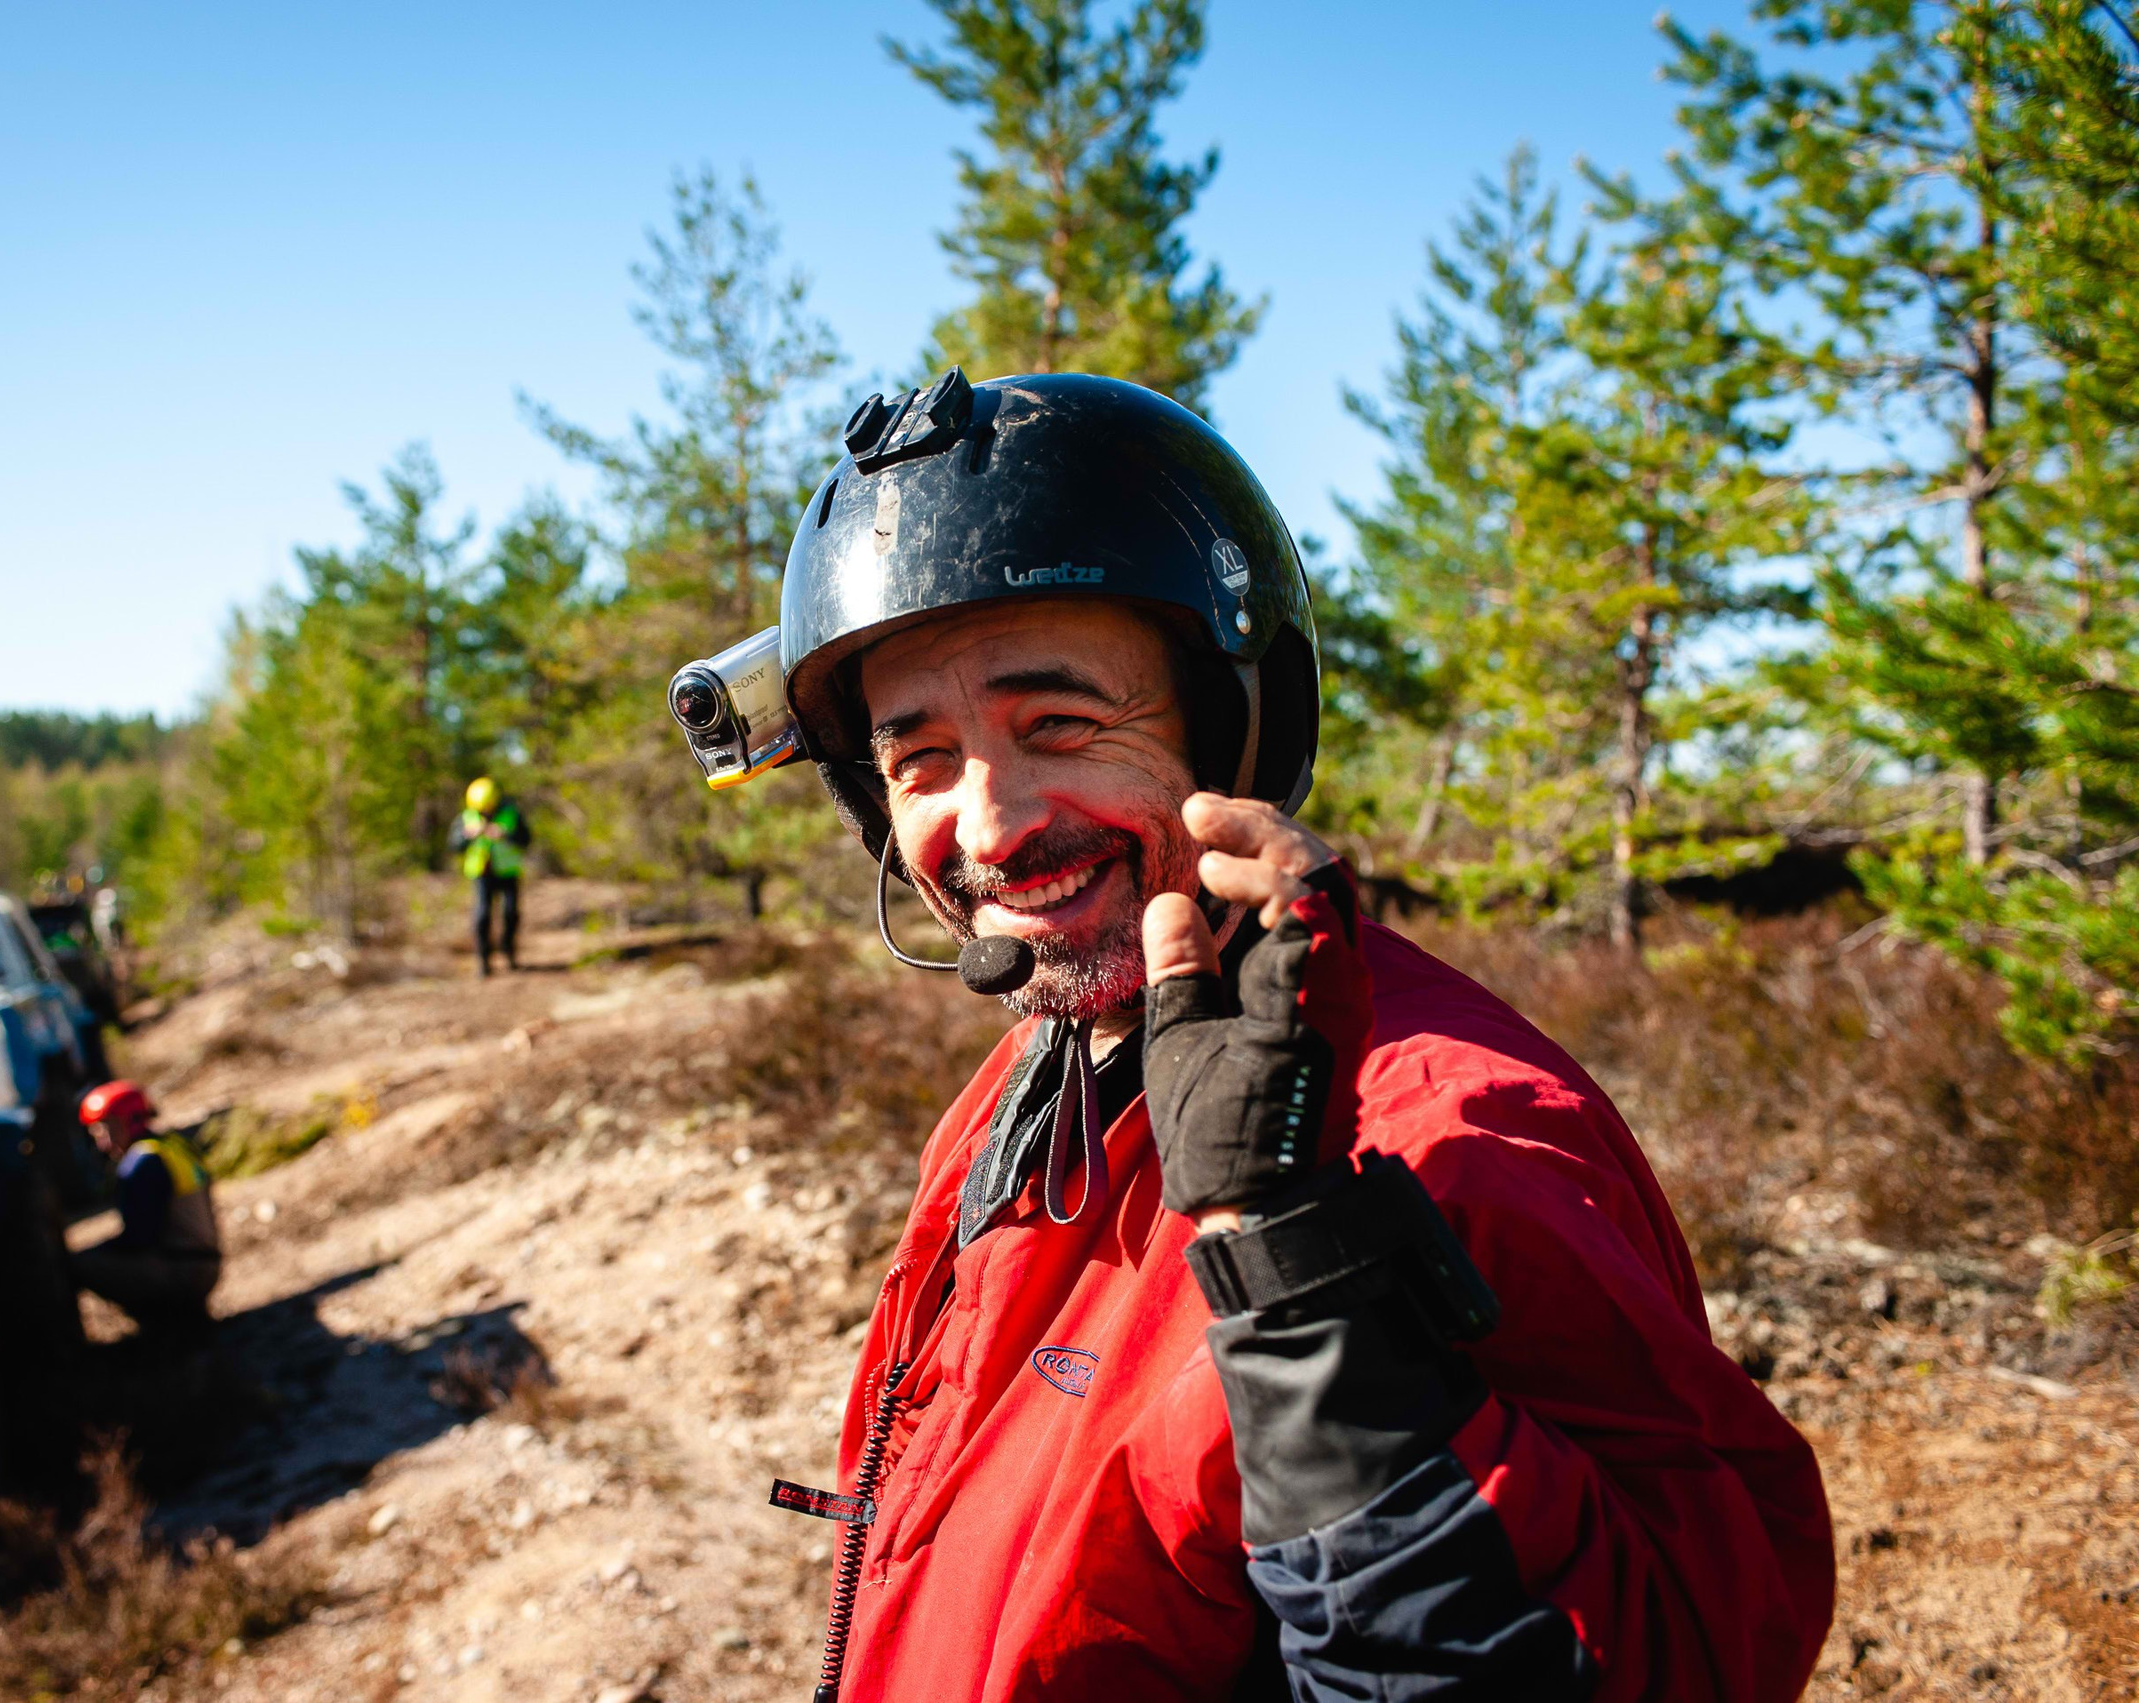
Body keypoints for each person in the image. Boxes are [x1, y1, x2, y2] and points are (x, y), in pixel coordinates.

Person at [746, 372, 1833, 1700]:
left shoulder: (1450, 1140)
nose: (987, 827)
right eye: (918, 756)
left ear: (1236, 731)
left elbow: (1672, 1655)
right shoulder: (1043, 1073)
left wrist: (1301, 1278)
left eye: (1062, 724)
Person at [68, 1079, 221, 1336]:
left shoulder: (141, 1164)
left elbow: (140, 1239)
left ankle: (164, 1323)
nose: (102, 1144)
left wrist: (98, 1251)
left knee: (80, 1265)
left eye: (107, 1130)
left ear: (130, 1121)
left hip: (186, 1272)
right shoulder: (174, 1145)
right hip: (206, 1264)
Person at [449, 776, 530, 976]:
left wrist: (505, 835)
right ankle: (483, 960)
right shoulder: (466, 817)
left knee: (510, 914)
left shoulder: (511, 814)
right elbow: (454, 845)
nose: (484, 811)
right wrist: (467, 836)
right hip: (482, 874)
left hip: (508, 872)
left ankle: (509, 951)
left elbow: (526, 839)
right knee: (482, 915)